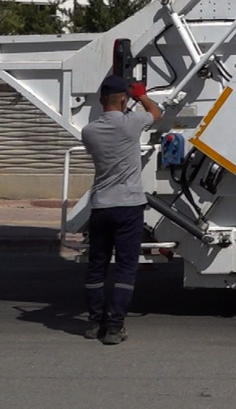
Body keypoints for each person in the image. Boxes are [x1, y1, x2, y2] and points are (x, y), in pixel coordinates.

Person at [80, 75, 161, 345]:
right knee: (126, 268)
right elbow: (156, 114)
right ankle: (114, 327)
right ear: (124, 99)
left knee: (97, 267)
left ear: (102, 100)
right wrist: (142, 95)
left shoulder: (89, 131)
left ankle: (94, 323)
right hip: (129, 206)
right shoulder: (132, 123)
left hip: (101, 205)